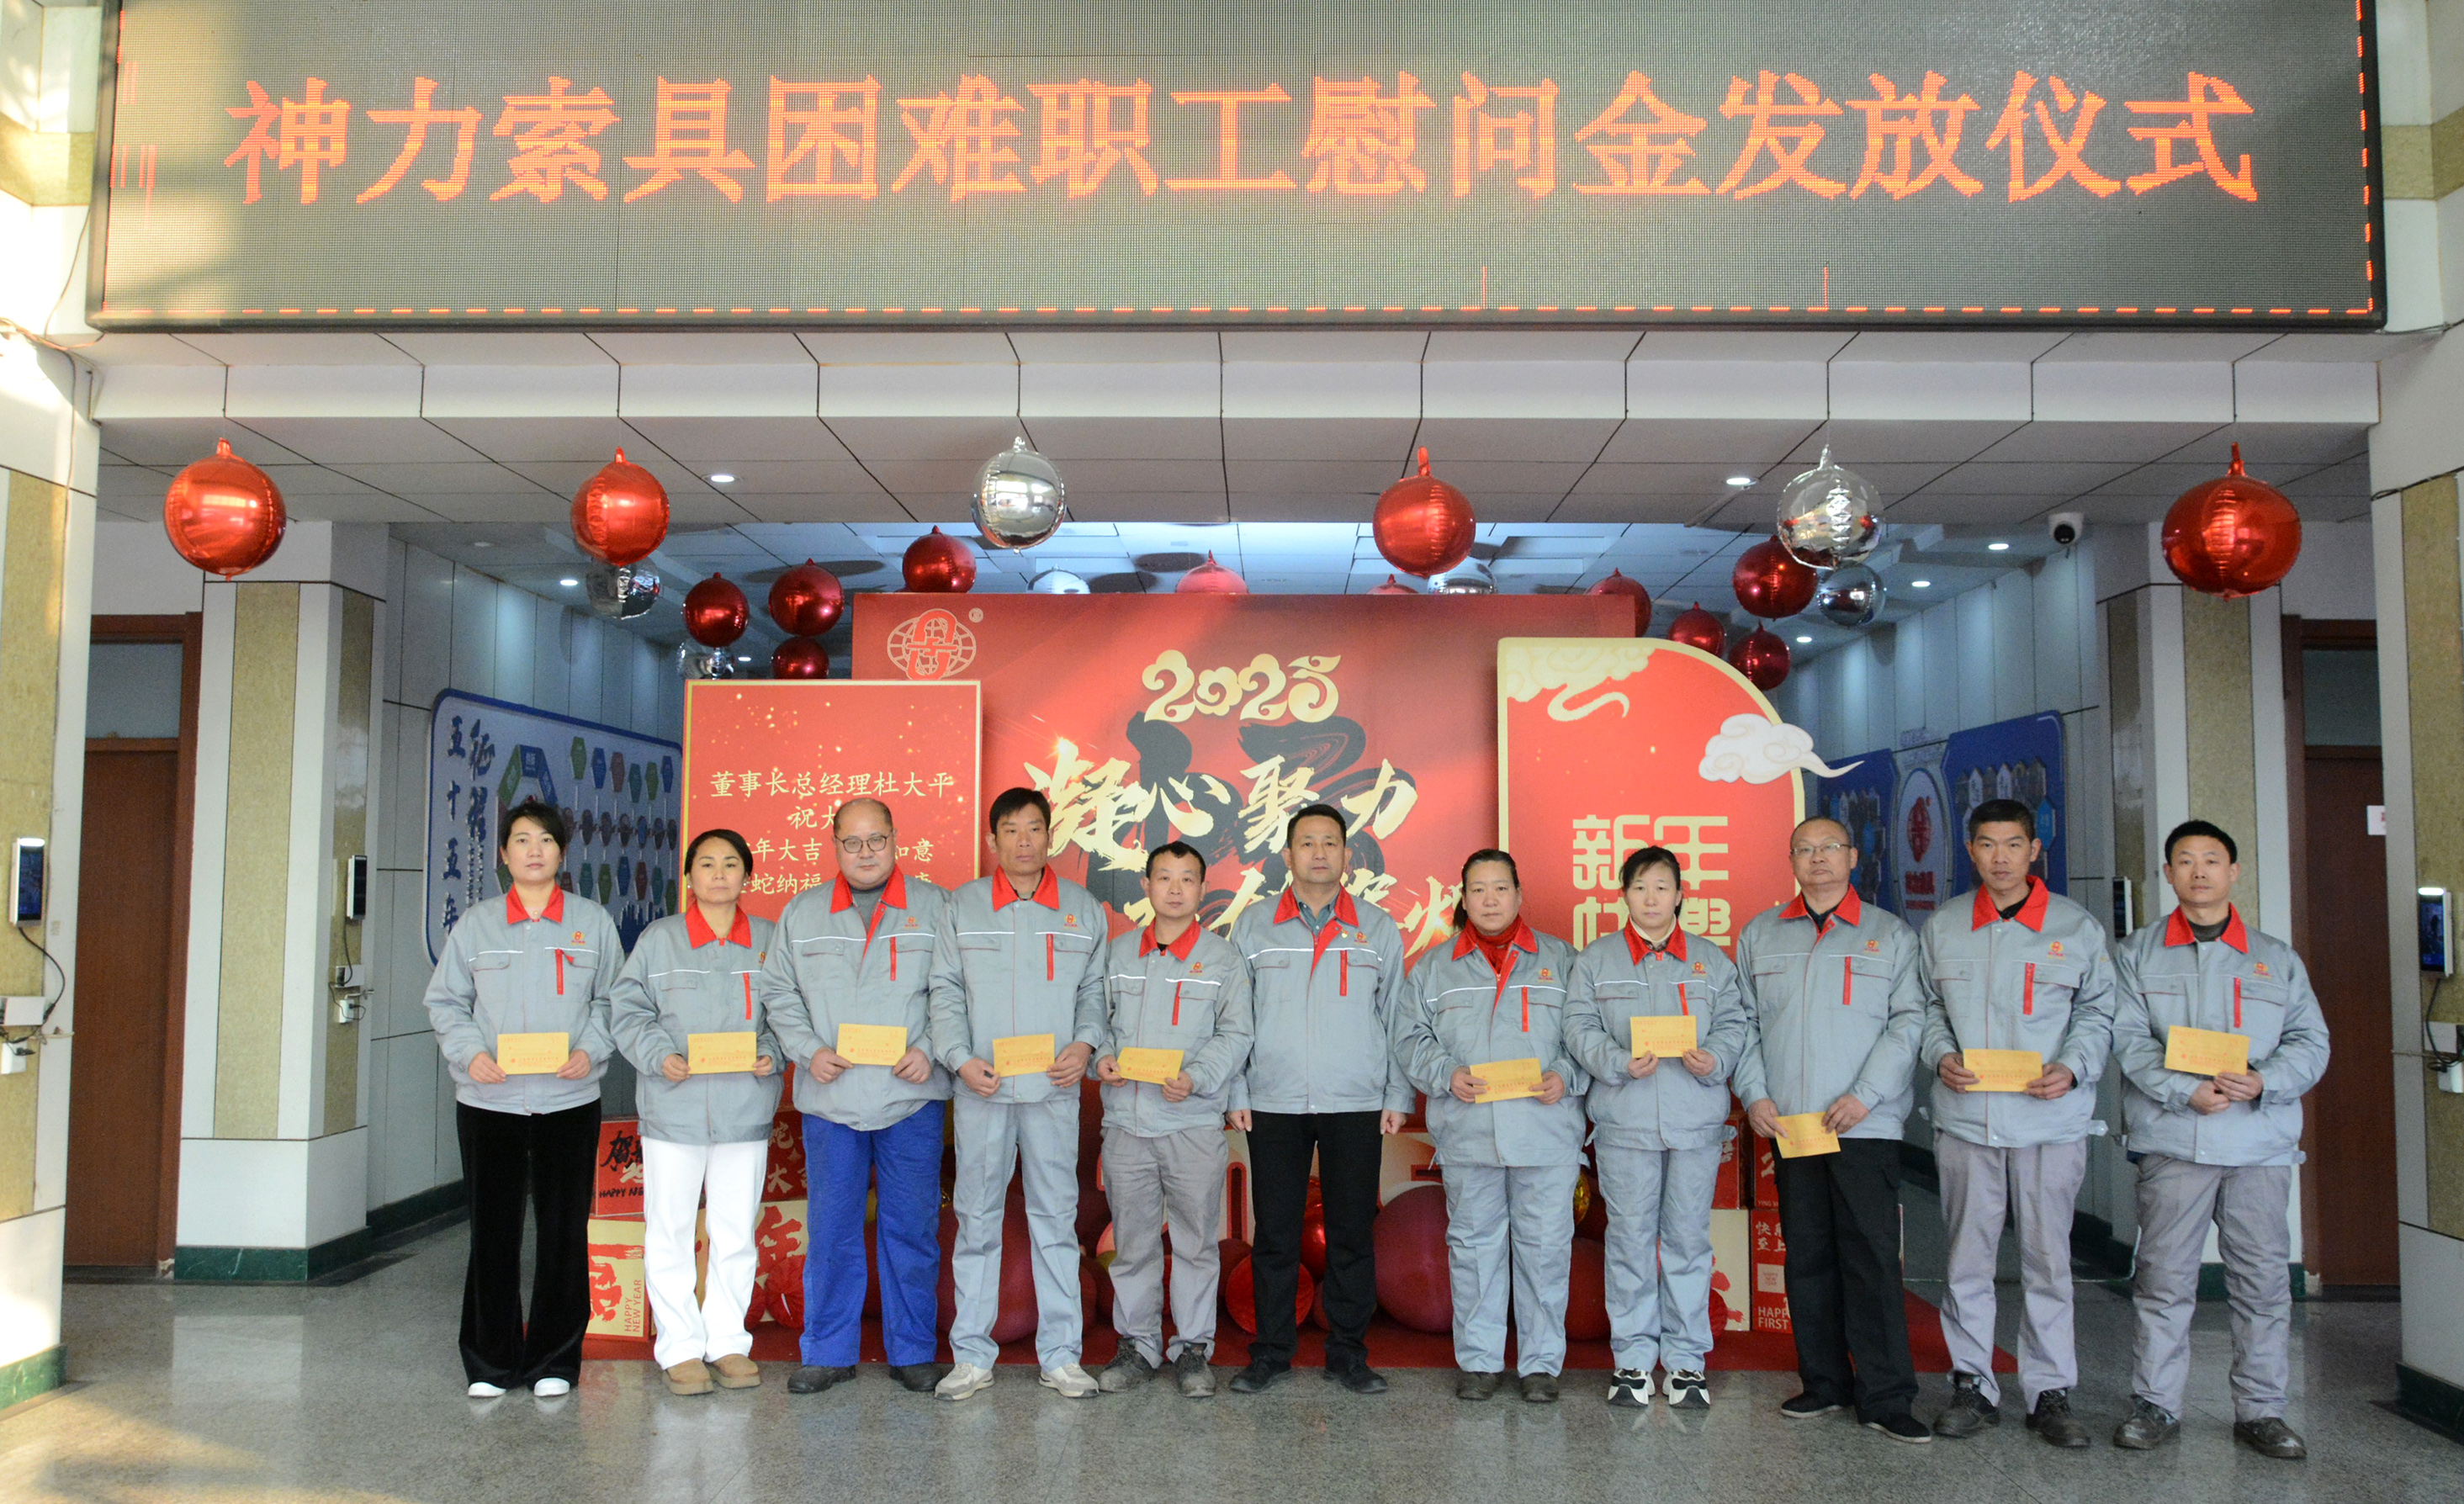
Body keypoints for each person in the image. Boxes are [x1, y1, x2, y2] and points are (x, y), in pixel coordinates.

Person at [2110, 819, 2330, 1459]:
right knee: (2163, 1280)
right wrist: (2183, 1091)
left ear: (2233, 872)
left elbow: (2310, 1041)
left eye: (2211, 859)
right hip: (2174, 1140)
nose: (2199, 871)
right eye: (2185, 860)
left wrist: (2265, 1081)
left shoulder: (2275, 958)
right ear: (2168, 874)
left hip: (2257, 1144)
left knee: (2262, 1283)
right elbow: (2127, 1038)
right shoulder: (2137, 954)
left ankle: (2262, 1411)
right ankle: (2155, 1405)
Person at [1919, 799, 2116, 1446]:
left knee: (2047, 1261)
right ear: (1969, 850)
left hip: (2047, 1120)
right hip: (1967, 1119)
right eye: (1986, 844)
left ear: (2034, 850)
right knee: (1965, 1260)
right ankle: (1971, 1385)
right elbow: (1924, 1009)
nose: (1998, 858)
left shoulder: (2075, 928)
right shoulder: (1944, 927)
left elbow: (2098, 1012)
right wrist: (1939, 1054)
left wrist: (2073, 1067)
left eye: (2011, 845)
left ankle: (2049, 1391)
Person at [1733, 816, 1929, 1443]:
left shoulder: (1889, 935)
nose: (1818, 859)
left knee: (1871, 1258)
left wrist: (1864, 1095)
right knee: (1808, 1255)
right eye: (1805, 849)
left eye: (1830, 848)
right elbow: (1740, 1024)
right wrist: (1755, 1094)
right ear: (1790, 860)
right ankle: (1823, 1381)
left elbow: (1908, 1024)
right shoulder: (1762, 934)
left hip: (1864, 1125)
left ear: (1852, 857)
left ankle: (1886, 1394)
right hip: (1793, 1124)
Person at [424, 798, 623, 1399]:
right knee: (493, 1231)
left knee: (563, 1231)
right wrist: (469, 1054)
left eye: (545, 840)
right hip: (490, 1101)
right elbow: (446, 1002)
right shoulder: (477, 925)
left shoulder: (592, 923)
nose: (534, 850)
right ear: (504, 854)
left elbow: (615, 1001)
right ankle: (490, 1362)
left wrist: (591, 1049)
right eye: (521, 840)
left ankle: (555, 1361)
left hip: (568, 1098)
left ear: (562, 852)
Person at [756, 797, 951, 1398]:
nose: (865, 853)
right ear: (834, 845)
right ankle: (828, 1352)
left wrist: (931, 1048)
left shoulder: (936, 907)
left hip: (910, 1095)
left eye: (876, 840)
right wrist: (807, 1049)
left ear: (895, 840)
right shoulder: (803, 911)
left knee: (911, 1229)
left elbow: (956, 989)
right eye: (852, 842)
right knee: (833, 1229)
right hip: (832, 1097)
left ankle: (913, 1351)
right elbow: (779, 992)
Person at [927, 787, 1110, 1401]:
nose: (1024, 841)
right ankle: (971, 1355)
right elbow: (944, 989)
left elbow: (1095, 992)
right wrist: (958, 1058)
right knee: (976, 1217)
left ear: (1050, 836)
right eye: (1011, 830)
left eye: (1034, 828)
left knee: (1055, 1220)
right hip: (983, 1087)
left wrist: (1084, 1044)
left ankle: (1061, 1355)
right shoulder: (963, 906)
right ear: (993, 840)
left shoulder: (1081, 909)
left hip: (1053, 1088)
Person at [1226, 802, 1413, 1396]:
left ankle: (1348, 1354)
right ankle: (1270, 1352)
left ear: (1347, 855)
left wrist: (1397, 1092)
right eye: (1307, 842)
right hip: (1273, 1100)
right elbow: (1234, 1016)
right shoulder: (1254, 926)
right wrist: (1235, 1089)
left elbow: (1397, 1017)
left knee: (1352, 1233)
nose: (1318, 853)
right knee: (1275, 1234)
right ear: (1287, 855)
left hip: (1354, 1100)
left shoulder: (1377, 928)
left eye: (1330, 842)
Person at [1393, 850, 1587, 1404]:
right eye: (1478, 889)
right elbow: (1409, 1038)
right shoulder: (1435, 968)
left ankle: (1540, 1365)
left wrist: (1566, 1075)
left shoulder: (1562, 960)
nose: (1490, 899)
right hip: (1469, 1131)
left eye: (1500, 888)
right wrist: (1444, 1073)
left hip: (1545, 1131)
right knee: (1474, 1249)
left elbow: (1588, 1033)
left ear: (1519, 895)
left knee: (1545, 1249)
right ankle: (1479, 1361)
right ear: (1463, 898)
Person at [1561, 845, 1748, 1410]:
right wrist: (1616, 1061)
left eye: (1662, 887)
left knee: (1689, 1241)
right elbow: (1577, 1026)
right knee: (1629, 1242)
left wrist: (1715, 1058)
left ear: (1680, 895)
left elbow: (1736, 1022)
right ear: (1624, 895)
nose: (1650, 898)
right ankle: (1633, 1362)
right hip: (1626, 1123)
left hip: (1694, 1124)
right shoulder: (1596, 960)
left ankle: (1687, 1362)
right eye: (1640, 887)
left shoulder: (1711, 962)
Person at [607, 829, 781, 1397]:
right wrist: (659, 1055)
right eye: (706, 864)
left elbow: (789, 1010)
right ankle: (679, 1346)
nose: (719, 874)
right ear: (688, 877)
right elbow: (628, 1009)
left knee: (735, 1231)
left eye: (731, 863)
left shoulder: (769, 940)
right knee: (671, 1229)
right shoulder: (659, 940)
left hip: (743, 1107)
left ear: (747, 876)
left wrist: (772, 1052)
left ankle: (728, 1341)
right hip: (673, 1108)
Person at [1090, 842, 1254, 1398]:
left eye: (1187, 878)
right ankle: (1137, 1346)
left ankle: (1192, 1349)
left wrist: (1199, 1077)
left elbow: (1236, 1032)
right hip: (1127, 1125)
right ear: (1146, 886)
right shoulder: (1118, 954)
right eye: (1164, 877)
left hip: (1191, 1123)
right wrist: (1101, 1058)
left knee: (1195, 1243)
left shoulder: (1222, 959)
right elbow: (1095, 1021)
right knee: (1133, 1243)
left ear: (1202, 889)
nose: (1176, 888)